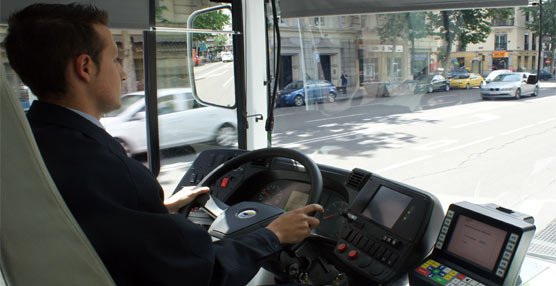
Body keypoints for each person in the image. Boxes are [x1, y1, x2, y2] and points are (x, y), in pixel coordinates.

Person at [2, 3, 323, 286]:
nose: (124, 76)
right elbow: (202, 273)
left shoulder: (37, 141)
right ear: (85, 67)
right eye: (115, 60)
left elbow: (89, 220)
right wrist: (274, 234)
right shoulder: (101, 167)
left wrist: (160, 209)